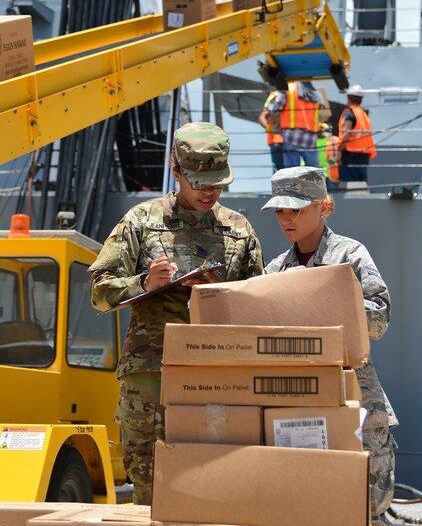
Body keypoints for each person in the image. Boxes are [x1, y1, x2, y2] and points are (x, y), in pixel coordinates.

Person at [88, 121, 264, 505]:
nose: (210, 191)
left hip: (217, 375)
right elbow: (99, 292)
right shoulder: (142, 221)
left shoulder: (239, 230)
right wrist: (144, 283)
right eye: (200, 183)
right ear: (176, 170)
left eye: (217, 182)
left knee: (217, 481)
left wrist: (218, 294)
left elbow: (261, 306)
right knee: (150, 485)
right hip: (152, 378)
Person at [261, 166, 397, 526]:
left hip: (354, 403)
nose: (286, 218)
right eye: (280, 210)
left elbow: (379, 319)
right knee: (302, 507)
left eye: (296, 209)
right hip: (297, 406)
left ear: (323, 208)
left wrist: (317, 292)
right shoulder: (274, 271)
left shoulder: (349, 255)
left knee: (365, 508)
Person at [276, 81, 324, 168]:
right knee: (312, 171)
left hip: (291, 136)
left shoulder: (288, 89)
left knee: (291, 172)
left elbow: (275, 108)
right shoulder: (316, 94)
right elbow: (321, 117)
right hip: (310, 138)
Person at [338, 84, 377, 183]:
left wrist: (339, 151)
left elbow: (346, 133)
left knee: (350, 185)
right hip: (364, 155)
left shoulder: (349, 113)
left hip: (350, 155)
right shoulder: (363, 115)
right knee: (361, 184)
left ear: (349, 98)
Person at [258, 90, 284, 172]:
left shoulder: (275, 95)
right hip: (281, 140)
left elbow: (262, 117)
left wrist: (269, 128)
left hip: (278, 140)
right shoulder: (278, 95)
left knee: (280, 172)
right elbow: (262, 117)